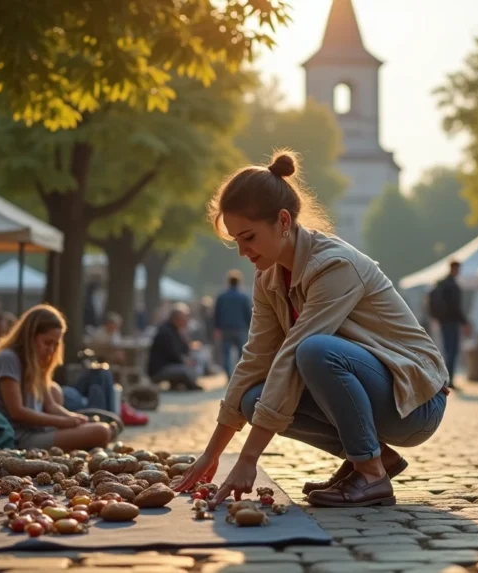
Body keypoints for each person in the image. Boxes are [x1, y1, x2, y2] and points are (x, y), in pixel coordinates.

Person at [173, 151, 449, 509]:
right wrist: (211, 455)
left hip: (416, 404)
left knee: (314, 351)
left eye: (249, 237)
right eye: (236, 241)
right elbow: (255, 361)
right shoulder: (269, 277)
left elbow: (292, 355)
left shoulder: (335, 265)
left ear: (283, 221)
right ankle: (377, 457)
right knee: (252, 399)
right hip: (377, 395)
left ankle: (370, 473)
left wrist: (248, 459)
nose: (242, 252)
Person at [0, 304, 112, 451]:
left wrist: (73, 418)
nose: (51, 350)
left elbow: (51, 405)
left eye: (55, 345)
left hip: (36, 431)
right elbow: (17, 411)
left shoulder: (36, 362)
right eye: (47, 343)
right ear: (30, 337)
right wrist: (62, 422)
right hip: (17, 438)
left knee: (58, 394)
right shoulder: (8, 358)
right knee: (102, 432)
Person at [428, 261, 470, 389]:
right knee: (452, 351)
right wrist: (464, 322)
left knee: (447, 350)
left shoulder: (442, 283)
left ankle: (445, 379)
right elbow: (455, 307)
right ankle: (448, 380)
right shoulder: (451, 285)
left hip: (443, 322)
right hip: (451, 322)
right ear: (454, 268)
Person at [147, 303, 202, 391]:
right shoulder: (166, 331)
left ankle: (178, 384)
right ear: (176, 319)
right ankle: (191, 386)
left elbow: (184, 349)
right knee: (186, 370)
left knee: (195, 361)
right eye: (183, 319)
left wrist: (184, 336)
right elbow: (172, 354)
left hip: (168, 365)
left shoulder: (175, 330)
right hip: (159, 369)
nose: (186, 321)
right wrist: (185, 361)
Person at [214, 269, 252, 379]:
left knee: (226, 354)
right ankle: (240, 376)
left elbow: (216, 313)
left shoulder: (221, 296)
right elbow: (248, 313)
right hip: (240, 328)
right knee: (242, 354)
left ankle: (228, 376)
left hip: (225, 329)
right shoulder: (243, 297)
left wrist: (217, 328)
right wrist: (250, 327)